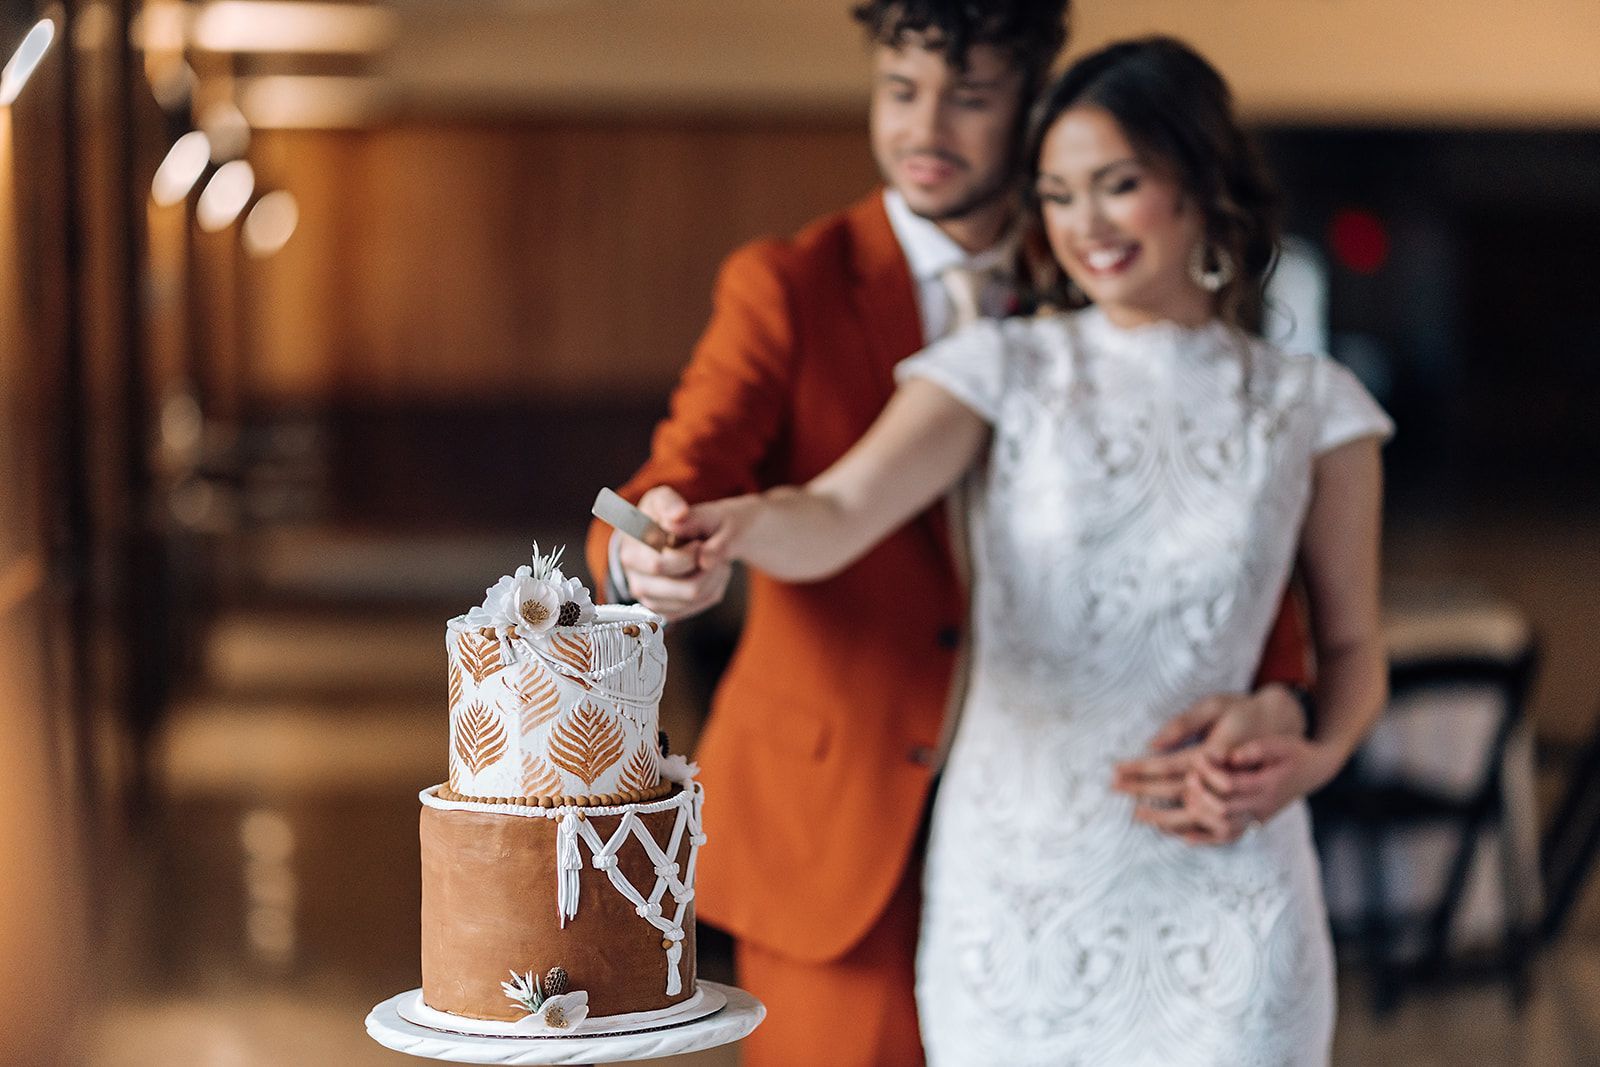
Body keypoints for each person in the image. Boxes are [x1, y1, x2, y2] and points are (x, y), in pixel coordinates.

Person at [585, 9, 1315, 1064]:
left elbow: (1223, 502)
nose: (924, 127)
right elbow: (686, 469)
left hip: (1087, 829)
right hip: (844, 817)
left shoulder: (1104, 255)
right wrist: (647, 551)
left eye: (969, 97)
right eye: (900, 89)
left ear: (1032, 111)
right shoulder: (790, 282)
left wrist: (1282, 686)